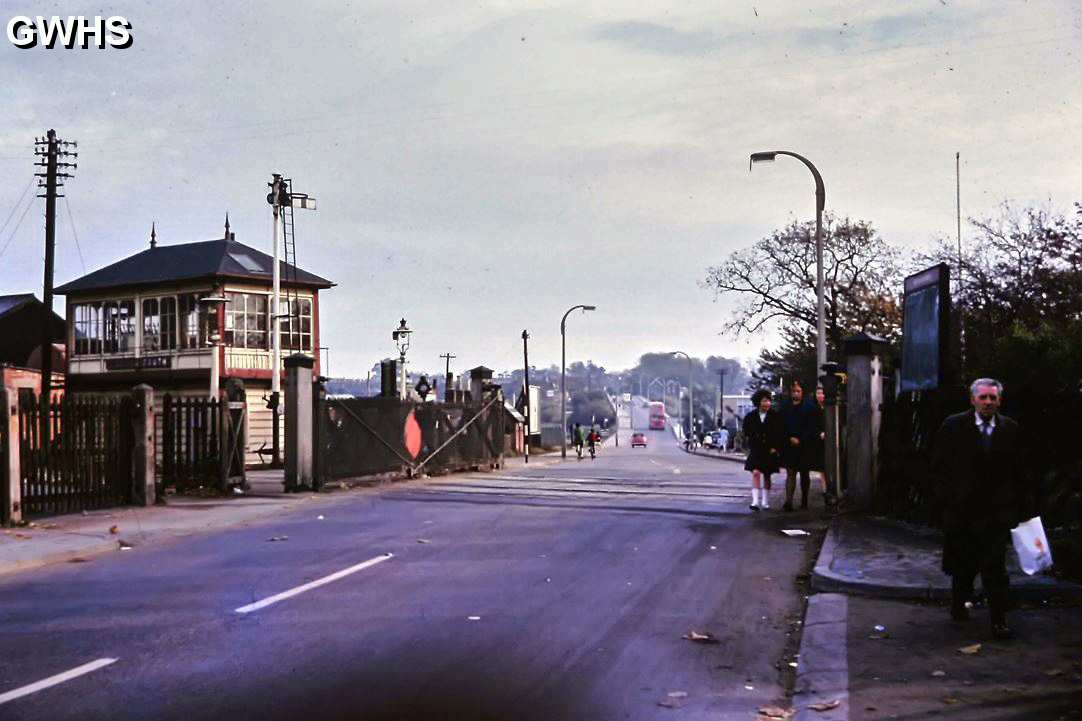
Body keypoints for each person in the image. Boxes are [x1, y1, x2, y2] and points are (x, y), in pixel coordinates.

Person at [931, 378, 1030, 640]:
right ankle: (958, 604)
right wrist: (947, 502)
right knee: (962, 564)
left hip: (996, 514)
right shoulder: (953, 426)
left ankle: (998, 620)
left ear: (1000, 400)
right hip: (962, 512)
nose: (988, 402)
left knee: (995, 568)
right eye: (983, 397)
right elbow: (939, 467)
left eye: (993, 398)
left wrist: (1018, 509)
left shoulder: (1010, 429)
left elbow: (1020, 471)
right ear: (973, 399)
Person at [743, 389, 784, 511]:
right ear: (758, 402)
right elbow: (746, 432)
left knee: (767, 475)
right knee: (755, 473)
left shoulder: (775, 416)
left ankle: (765, 501)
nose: (767, 404)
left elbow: (780, 433)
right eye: (764, 401)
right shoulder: (750, 417)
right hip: (756, 449)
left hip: (770, 449)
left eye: (769, 401)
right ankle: (755, 501)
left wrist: (776, 448)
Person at [779, 380, 816, 511]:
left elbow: (812, 427)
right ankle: (788, 501)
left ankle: (804, 500)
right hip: (789, 444)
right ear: (790, 392)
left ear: (802, 392)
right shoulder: (784, 407)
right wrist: (789, 438)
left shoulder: (809, 407)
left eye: (798, 391)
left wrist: (801, 439)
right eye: (794, 391)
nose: (796, 393)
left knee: (804, 473)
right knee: (790, 472)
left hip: (804, 445)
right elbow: (781, 425)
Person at [805, 386, 832, 507]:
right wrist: (819, 433)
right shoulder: (813, 410)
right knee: (823, 468)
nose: (821, 396)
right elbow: (811, 427)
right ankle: (825, 491)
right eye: (818, 393)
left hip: (832, 441)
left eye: (822, 393)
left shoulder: (831, 408)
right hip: (820, 442)